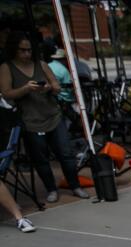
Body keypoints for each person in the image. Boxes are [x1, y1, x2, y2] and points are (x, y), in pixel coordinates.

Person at [0, 32, 89, 203]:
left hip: (52, 115)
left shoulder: (41, 64)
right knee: (40, 157)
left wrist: (48, 87)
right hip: (30, 119)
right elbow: (6, 93)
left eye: (29, 50)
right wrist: (26, 89)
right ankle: (51, 189)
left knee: (65, 152)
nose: (27, 54)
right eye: (22, 50)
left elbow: (57, 87)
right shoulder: (6, 67)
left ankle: (75, 185)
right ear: (14, 50)